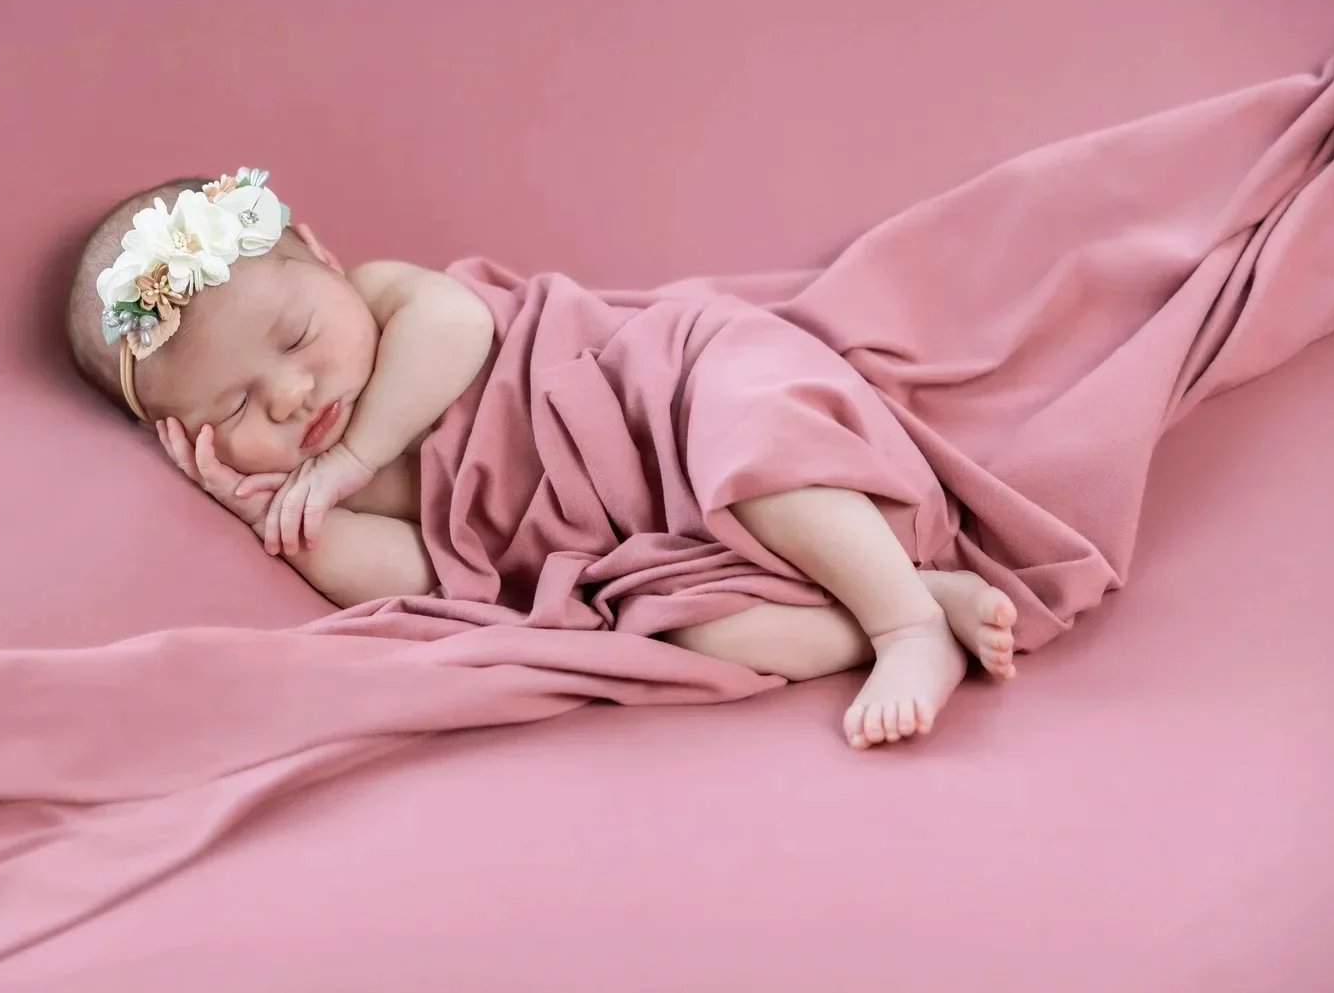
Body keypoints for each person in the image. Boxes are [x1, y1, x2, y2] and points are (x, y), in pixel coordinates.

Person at [67, 169, 1019, 751]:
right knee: (715, 640)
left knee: (758, 459)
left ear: (322, 259)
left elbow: (464, 325)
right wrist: (270, 511)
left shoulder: (391, 301)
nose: (289, 394)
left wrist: (357, 453)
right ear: (183, 439)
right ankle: (921, 594)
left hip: (670, 396)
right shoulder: (321, 488)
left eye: (296, 334)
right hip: (639, 539)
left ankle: (903, 627)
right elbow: (421, 575)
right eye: (234, 405)